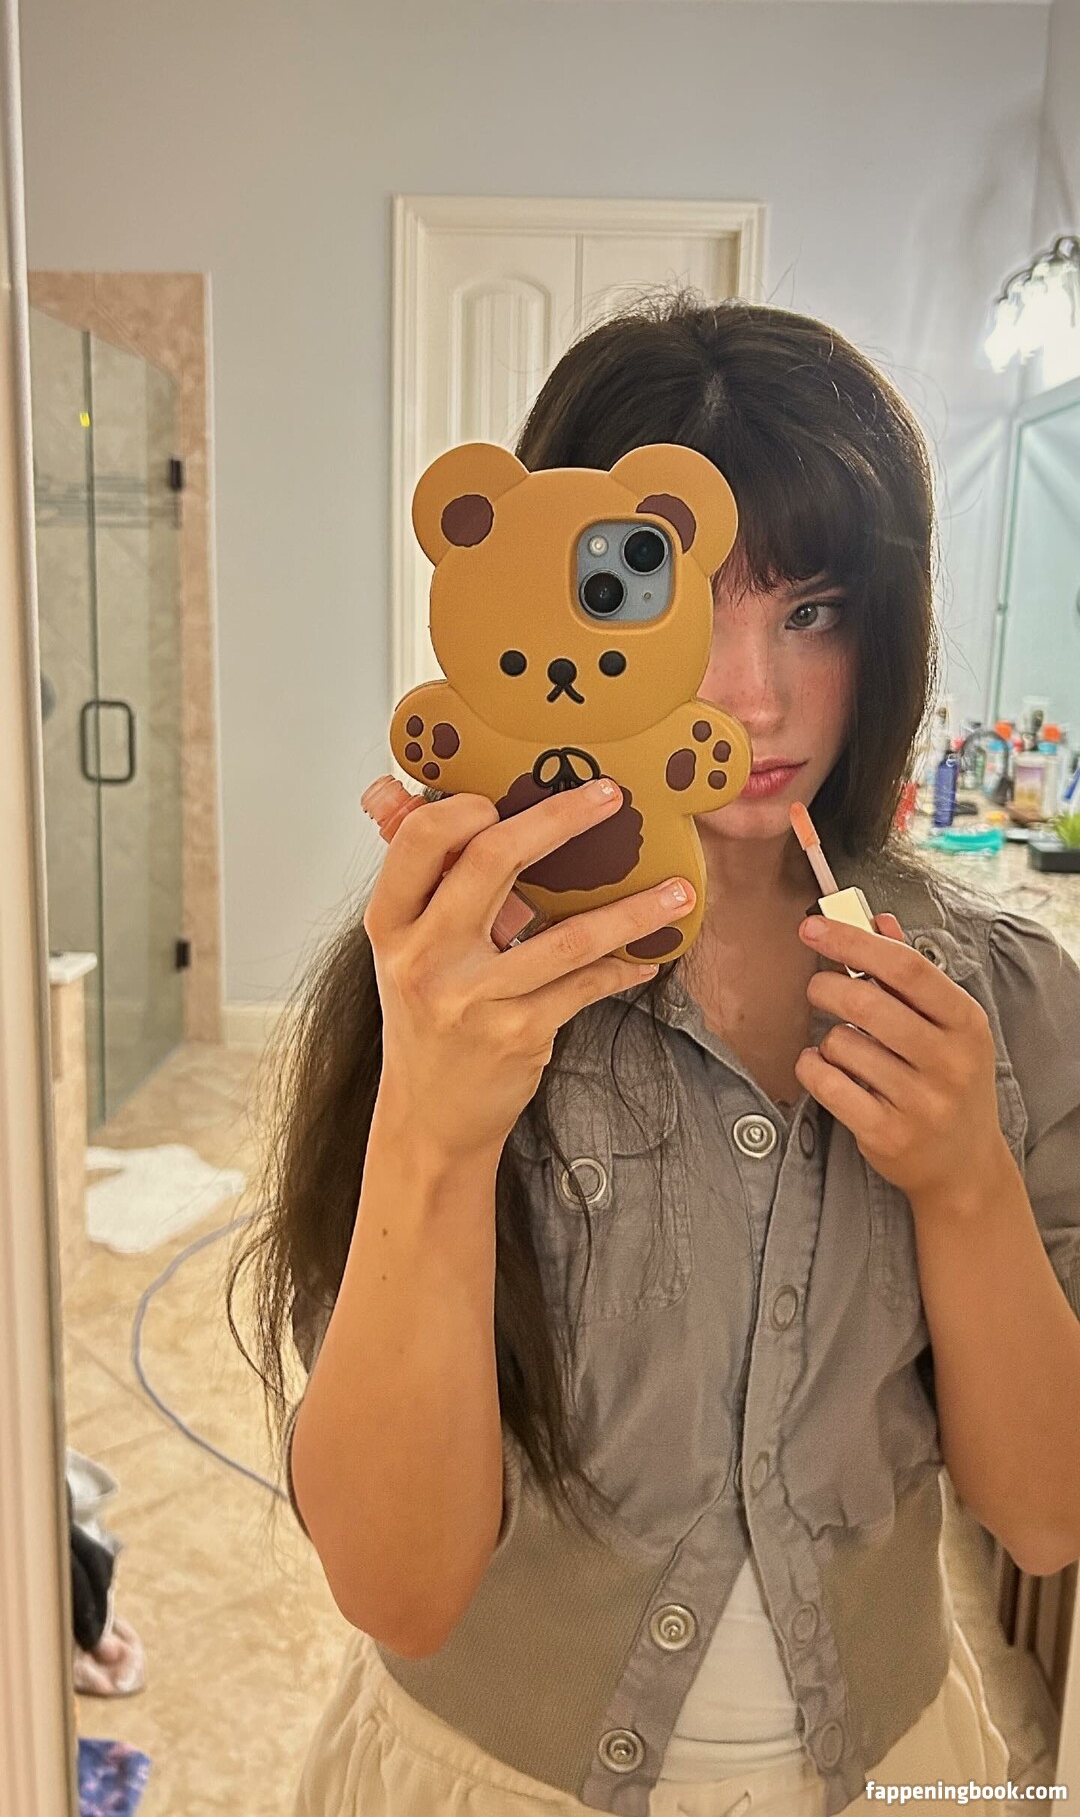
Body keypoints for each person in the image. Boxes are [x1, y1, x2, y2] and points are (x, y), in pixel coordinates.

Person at [227, 294, 1080, 1817]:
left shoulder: (1004, 999)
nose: (754, 696)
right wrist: (432, 1130)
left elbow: (1047, 1513)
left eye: (813, 610)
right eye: (680, 606)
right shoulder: (455, 987)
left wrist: (965, 1185)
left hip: (892, 1768)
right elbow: (397, 1587)